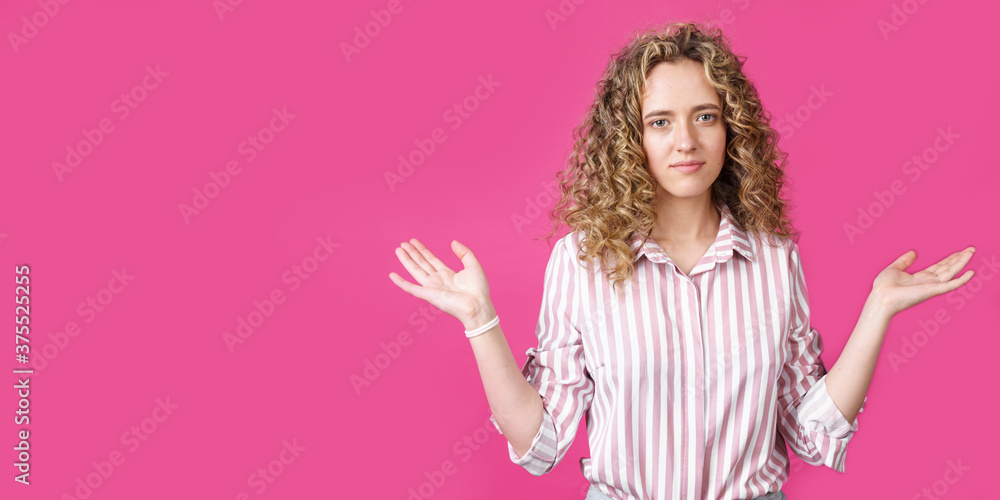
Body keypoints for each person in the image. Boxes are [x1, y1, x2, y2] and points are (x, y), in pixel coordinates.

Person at [388, 21, 976, 500]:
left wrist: (879, 308)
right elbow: (540, 445)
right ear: (630, 140)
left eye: (705, 116)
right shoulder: (581, 262)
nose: (686, 142)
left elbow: (812, 434)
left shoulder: (775, 259)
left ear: (732, 129)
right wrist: (481, 323)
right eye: (660, 122)